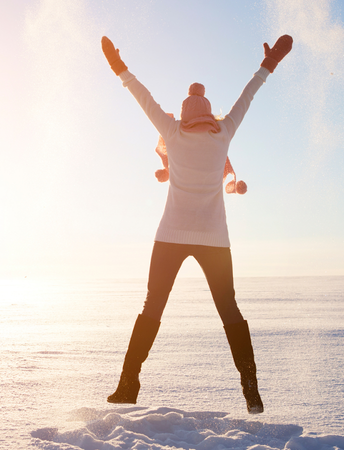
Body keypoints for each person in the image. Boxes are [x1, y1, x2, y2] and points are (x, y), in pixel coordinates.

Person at [100, 34, 293, 414]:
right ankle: (251, 388)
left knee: (152, 305)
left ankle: (127, 385)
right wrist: (268, 64)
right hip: (214, 239)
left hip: (170, 236)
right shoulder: (224, 132)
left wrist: (118, 67)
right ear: (208, 113)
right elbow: (248, 95)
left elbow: (143, 97)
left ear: (185, 115)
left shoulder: (172, 132)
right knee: (229, 309)